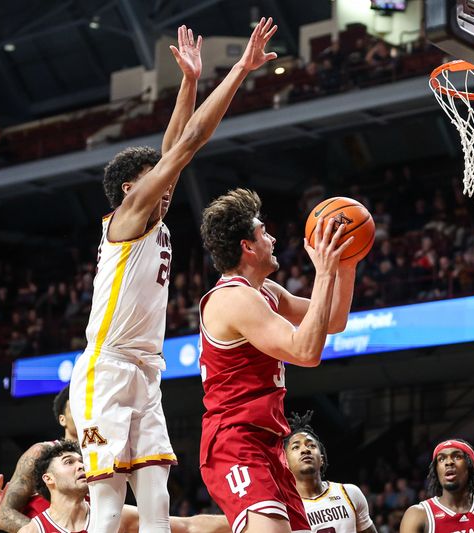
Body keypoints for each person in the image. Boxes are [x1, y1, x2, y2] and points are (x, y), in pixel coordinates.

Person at [68, 19, 278, 533]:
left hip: (145, 369)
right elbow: (187, 145)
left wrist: (188, 83)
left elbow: (174, 149)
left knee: (157, 504)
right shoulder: (129, 217)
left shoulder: (153, 212)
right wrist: (240, 73)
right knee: (109, 506)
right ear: (129, 191)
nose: (166, 189)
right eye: (153, 183)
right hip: (108, 368)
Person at [198, 189, 362, 533]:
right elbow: (306, 352)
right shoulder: (233, 299)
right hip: (235, 441)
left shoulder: (266, 292)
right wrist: (325, 273)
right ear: (247, 247)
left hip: (269, 442)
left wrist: (345, 264)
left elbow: (333, 320)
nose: (272, 239)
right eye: (264, 233)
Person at [0, 386, 230, 533]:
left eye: (85, 402)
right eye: (75, 405)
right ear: (62, 418)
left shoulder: (104, 451)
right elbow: (3, 514)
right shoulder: (42, 452)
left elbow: (185, 526)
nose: (82, 408)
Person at [283, 411, 376, 533]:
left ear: (321, 459)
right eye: (296, 447)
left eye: (311, 445)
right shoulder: (284, 507)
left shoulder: (349, 493)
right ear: (285, 462)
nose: (305, 450)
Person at [399, 439, 474, 533]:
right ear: (436, 471)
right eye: (441, 459)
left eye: (457, 456)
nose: (448, 462)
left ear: (470, 467)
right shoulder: (418, 514)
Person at [16, 440, 90, 533]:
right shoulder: (32, 530)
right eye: (69, 462)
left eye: (82, 461)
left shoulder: (108, 514)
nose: (81, 466)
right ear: (48, 478)